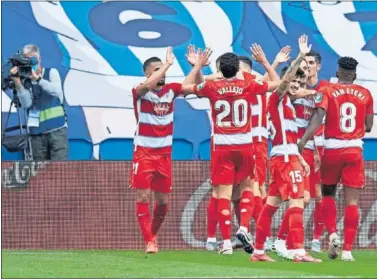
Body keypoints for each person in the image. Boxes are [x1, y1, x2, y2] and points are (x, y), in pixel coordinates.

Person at [183, 50, 269, 255]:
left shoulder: (213, 86)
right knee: (247, 187)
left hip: (222, 144)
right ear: (238, 69)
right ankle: (239, 231)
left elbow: (186, 88)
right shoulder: (248, 84)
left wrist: (197, 66)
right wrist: (267, 62)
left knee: (223, 192)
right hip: (246, 142)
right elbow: (275, 83)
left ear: (220, 69)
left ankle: (226, 242)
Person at [251, 34, 321, 263]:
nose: (297, 86)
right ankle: (298, 249)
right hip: (283, 158)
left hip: (286, 155)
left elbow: (290, 137)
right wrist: (300, 56)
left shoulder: (288, 104)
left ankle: (259, 251)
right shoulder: (277, 98)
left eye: (300, 83)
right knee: (297, 200)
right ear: (285, 83)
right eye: (294, 83)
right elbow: (285, 82)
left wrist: (300, 158)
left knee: (270, 206)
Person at [130, 46, 206, 253]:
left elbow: (199, 88)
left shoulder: (171, 90)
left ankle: (153, 234)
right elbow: (147, 86)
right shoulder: (140, 91)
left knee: (163, 202)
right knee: (143, 197)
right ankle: (149, 241)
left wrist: (197, 66)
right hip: (144, 152)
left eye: (162, 70)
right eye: (156, 70)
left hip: (164, 154)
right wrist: (167, 65)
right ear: (147, 73)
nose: (161, 74)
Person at [298, 56, 374, 261]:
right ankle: (348, 251)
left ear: (338, 72)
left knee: (327, 193)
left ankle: (332, 233)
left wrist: (304, 140)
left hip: (332, 149)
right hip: (354, 151)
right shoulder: (366, 93)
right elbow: (368, 127)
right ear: (355, 75)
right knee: (352, 202)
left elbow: (318, 118)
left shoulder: (328, 90)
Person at [10, 44, 68, 161]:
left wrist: (38, 79)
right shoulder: (25, 81)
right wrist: (18, 83)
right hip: (36, 134)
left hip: (57, 130)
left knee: (61, 170)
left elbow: (57, 91)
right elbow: (26, 104)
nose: (31, 62)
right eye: (27, 59)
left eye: (33, 58)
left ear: (39, 59)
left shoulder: (51, 73)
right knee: (40, 172)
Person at [305, 50, 331, 251]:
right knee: (299, 195)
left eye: (312, 62)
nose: (308, 66)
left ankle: (315, 239)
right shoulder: (297, 87)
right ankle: (284, 239)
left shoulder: (326, 88)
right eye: (305, 62)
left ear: (319, 66)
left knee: (319, 195)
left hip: (322, 147)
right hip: (302, 147)